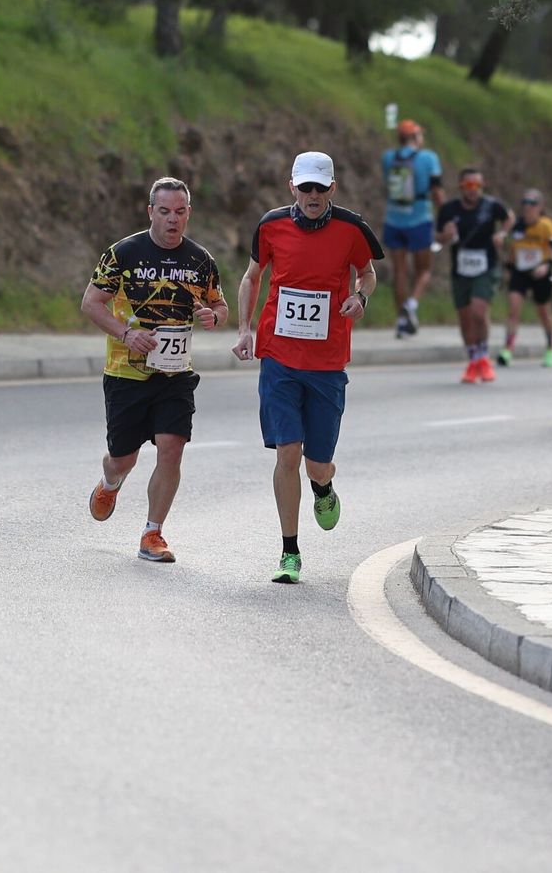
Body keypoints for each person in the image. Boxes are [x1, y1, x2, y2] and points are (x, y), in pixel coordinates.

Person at [232, 151, 383, 584]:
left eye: (320, 188)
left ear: (332, 188)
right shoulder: (271, 225)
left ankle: (323, 486)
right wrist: (245, 330)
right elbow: (251, 276)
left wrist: (361, 296)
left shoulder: (351, 229)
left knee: (317, 462)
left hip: (327, 362)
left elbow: (367, 273)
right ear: (292, 187)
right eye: (305, 187)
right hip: (279, 358)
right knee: (287, 452)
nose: (312, 195)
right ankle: (290, 552)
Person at [81, 177, 227, 564]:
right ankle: (111, 480)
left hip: (175, 375)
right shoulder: (123, 253)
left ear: (189, 214)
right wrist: (126, 333)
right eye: (164, 212)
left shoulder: (200, 260)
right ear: (151, 212)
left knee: (171, 448)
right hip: (126, 375)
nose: (172, 220)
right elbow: (92, 304)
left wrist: (214, 317)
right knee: (123, 457)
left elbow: (220, 306)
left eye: (180, 212)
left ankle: (152, 533)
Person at [436, 169, 513, 383]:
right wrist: (446, 235)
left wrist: (501, 234)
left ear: (482, 186)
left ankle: (483, 357)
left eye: (477, 186)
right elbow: (438, 238)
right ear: (461, 186)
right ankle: (472, 361)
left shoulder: (491, 206)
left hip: (486, 266)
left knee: (479, 311)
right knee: (465, 316)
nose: (473, 190)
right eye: (469, 186)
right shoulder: (449, 209)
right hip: (461, 268)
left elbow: (509, 218)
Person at [380, 119, 444, 338]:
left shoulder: (388, 158)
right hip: (420, 218)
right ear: (416, 137)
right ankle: (412, 304)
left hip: (393, 218)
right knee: (424, 270)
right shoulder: (428, 158)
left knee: (400, 271)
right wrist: (445, 214)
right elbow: (437, 191)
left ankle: (401, 322)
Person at [499, 189, 552, 368]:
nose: (528, 208)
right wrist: (509, 266)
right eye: (525, 203)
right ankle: (507, 348)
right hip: (520, 271)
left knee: (543, 311)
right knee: (513, 309)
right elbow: (511, 248)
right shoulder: (517, 226)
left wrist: (547, 265)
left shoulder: (546, 225)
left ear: (540, 207)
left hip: (540, 271)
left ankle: (551, 348)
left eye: (532, 204)